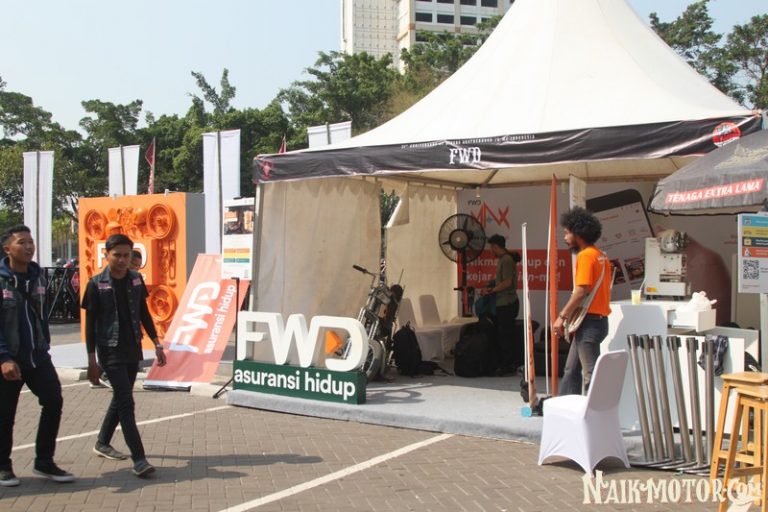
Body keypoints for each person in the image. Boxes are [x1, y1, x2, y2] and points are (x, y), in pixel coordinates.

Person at [82, 234, 166, 477]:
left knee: (121, 398)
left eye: (126, 255)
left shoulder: (135, 279)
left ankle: (102, 442)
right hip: (109, 349)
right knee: (127, 403)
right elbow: (90, 325)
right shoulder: (96, 284)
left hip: (132, 347)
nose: (121, 260)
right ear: (106, 255)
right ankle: (139, 459)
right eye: (116, 255)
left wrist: (157, 343)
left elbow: (144, 312)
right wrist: (91, 360)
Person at [0, 225, 74, 486]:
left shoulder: (39, 278)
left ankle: (44, 461)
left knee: (53, 401)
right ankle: (3, 465)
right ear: (8, 249)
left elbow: (41, 317)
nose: (29, 246)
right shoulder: (2, 280)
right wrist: (4, 358)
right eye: (22, 242)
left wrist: (44, 345)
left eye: (30, 242)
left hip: (38, 357)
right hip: (9, 360)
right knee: (5, 415)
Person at [554, 207, 612, 395]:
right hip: (597, 321)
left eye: (566, 233)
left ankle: (594, 410)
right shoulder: (601, 255)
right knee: (571, 370)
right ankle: (565, 405)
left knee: (590, 373)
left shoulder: (586, 256)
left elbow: (581, 291)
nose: (564, 237)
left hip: (589, 323)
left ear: (577, 233)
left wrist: (562, 316)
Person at [479, 234, 521, 376]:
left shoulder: (507, 260)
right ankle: (504, 363)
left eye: (491, 248)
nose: (490, 251)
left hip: (507, 303)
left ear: (496, 246)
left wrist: (491, 291)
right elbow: (501, 280)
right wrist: (491, 284)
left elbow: (507, 282)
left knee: (505, 335)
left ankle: (508, 365)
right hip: (502, 303)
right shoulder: (503, 260)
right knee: (502, 334)